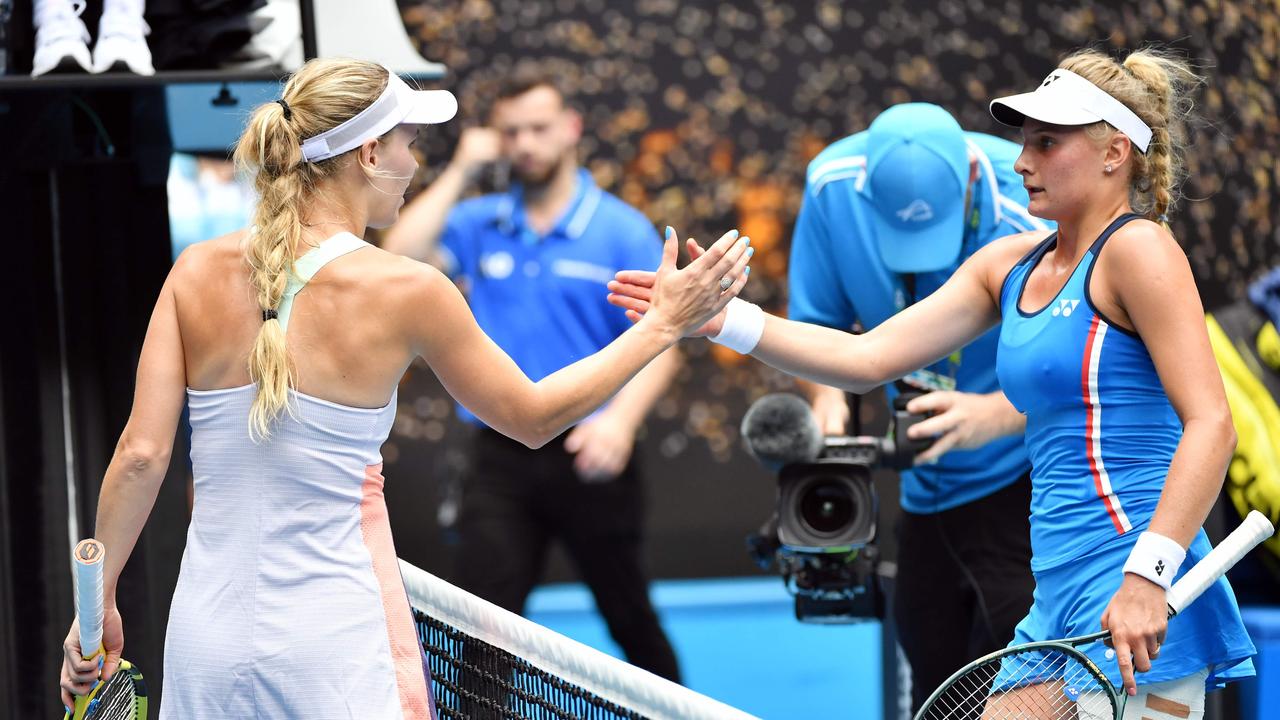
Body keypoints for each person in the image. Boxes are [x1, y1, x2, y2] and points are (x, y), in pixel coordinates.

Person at [56, 58, 751, 717]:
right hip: (336, 645)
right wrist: (662, 325)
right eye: (408, 144)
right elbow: (533, 418)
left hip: (204, 641)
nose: (413, 165)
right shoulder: (411, 289)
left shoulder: (193, 271)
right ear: (367, 155)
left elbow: (141, 456)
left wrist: (101, 598)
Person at [611, 47, 1256, 715]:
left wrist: (1148, 576)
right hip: (1057, 597)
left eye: (1046, 142)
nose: (1023, 160)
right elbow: (868, 359)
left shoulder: (1140, 250)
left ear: (1114, 152)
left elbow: (1213, 423)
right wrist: (721, 319)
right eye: (1023, 140)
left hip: (1134, 590)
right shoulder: (1007, 264)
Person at [382, 67, 683, 681]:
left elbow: (664, 345)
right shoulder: (476, 222)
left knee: (631, 619)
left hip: (590, 452)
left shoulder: (621, 229)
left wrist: (619, 428)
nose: (525, 143)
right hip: (499, 458)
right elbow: (396, 260)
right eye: (511, 131)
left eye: (539, 128)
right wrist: (463, 169)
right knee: (481, 630)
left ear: (571, 128)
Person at [788, 101, 1048, 709]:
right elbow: (817, 329)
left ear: (974, 183)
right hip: (925, 488)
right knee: (933, 679)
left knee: (1017, 681)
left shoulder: (1036, 203)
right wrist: (830, 419)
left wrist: (992, 417)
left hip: (1026, 480)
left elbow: (1098, 373)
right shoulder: (833, 187)